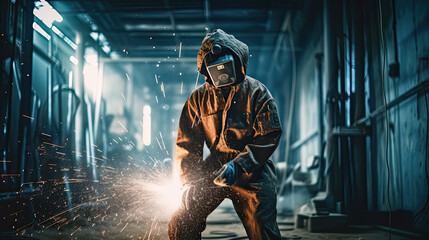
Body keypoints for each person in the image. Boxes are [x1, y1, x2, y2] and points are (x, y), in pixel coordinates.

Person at [168, 29, 282, 240]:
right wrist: (189, 182)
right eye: (216, 69)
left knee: (262, 228)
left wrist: (239, 166)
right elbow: (187, 145)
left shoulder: (258, 93)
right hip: (215, 168)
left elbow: (269, 134)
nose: (222, 74)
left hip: (253, 170)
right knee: (182, 218)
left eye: (226, 67)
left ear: (238, 63)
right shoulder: (198, 98)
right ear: (206, 70)